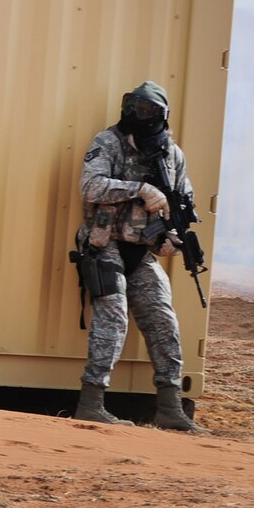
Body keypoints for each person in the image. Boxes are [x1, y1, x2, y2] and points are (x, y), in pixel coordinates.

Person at [72, 81, 206, 433]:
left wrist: (173, 238)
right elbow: (90, 186)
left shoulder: (172, 155)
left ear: (160, 115)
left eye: (145, 110)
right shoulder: (109, 142)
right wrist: (140, 189)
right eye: (132, 106)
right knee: (113, 320)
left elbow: (181, 200)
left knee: (164, 321)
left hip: (142, 251)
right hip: (105, 244)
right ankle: (90, 404)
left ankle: (170, 408)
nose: (136, 114)